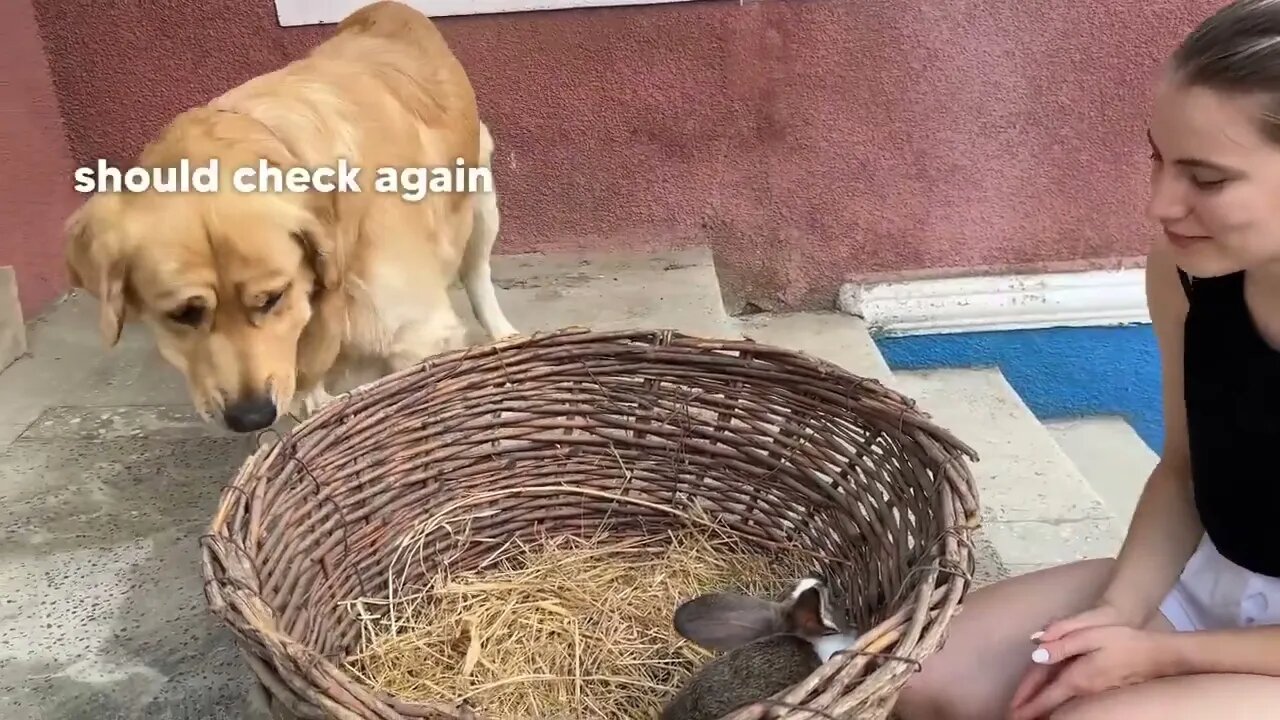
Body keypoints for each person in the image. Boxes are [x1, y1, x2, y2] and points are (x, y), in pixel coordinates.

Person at [891, 1, 1280, 718]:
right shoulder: (1186, 273)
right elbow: (1187, 470)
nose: (1161, 202)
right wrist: (1116, 614)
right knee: (917, 681)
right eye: (1158, 157)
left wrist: (1164, 657)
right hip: (1207, 581)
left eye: (1208, 179)